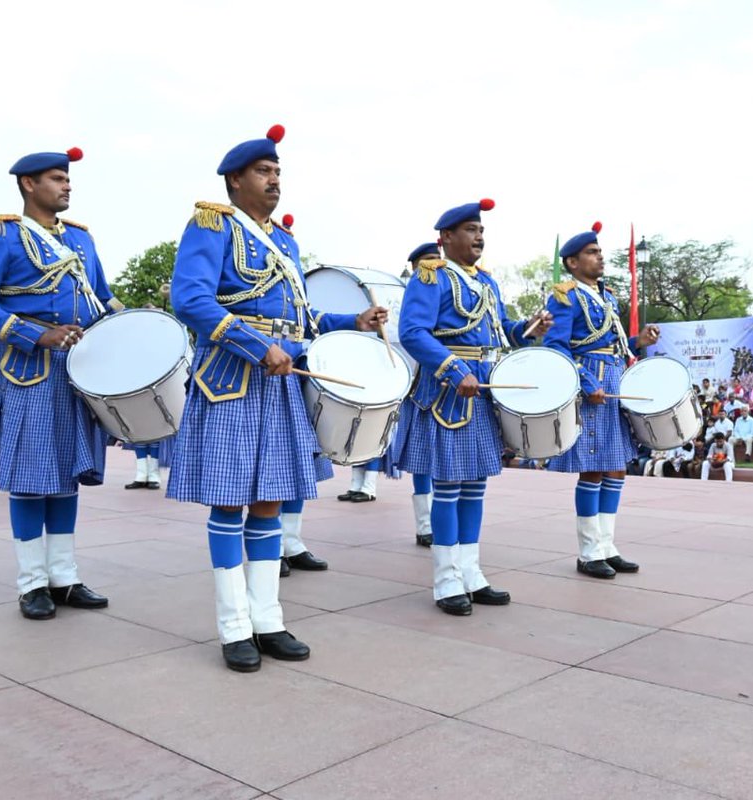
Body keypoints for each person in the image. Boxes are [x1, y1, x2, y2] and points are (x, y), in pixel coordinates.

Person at [166, 125, 386, 671]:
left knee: (269, 500)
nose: (275, 181)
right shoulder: (210, 225)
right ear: (235, 179)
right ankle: (233, 625)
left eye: (278, 172)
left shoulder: (284, 242)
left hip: (280, 380)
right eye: (264, 172)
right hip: (231, 380)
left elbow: (303, 317)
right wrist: (254, 344)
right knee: (229, 500)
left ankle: (268, 618)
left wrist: (350, 321)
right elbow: (188, 298)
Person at [0, 145, 117, 621]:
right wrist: (35, 334)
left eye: (66, 179)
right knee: (32, 476)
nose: (66, 185)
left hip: (76, 370)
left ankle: (64, 576)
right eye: (56, 178)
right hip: (25, 370)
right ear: (29, 184)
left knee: (66, 472)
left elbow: (102, 299)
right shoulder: (1, 235)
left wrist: (133, 327)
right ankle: (32, 583)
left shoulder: (82, 240)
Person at [397, 198, 552, 615]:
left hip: (482, 388)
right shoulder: (430, 276)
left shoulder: (487, 283)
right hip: (449, 392)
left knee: (476, 487)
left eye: (480, 229)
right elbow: (412, 332)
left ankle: (470, 571)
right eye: (469, 229)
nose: (479, 236)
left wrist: (529, 329)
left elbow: (501, 330)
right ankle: (446, 579)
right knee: (448, 488)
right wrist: (450, 368)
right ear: (445, 238)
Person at [544, 222, 657, 580]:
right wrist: (585, 380)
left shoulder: (607, 296)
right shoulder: (564, 296)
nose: (600, 257)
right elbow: (556, 347)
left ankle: (607, 546)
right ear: (573, 262)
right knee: (592, 468)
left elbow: (616, 344)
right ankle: (589, 551)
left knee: (618, 466)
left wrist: (639, 341)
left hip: (614, 378)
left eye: (599, 252)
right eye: (592, 253)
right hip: (590, 382)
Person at [389, 243, 442, 548]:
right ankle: (425, 525)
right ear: (413, 267)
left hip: (445, 380)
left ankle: (438, 523)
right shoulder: (407, 291)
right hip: (417, 383)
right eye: (427, 262)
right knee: (423, 459)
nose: (434, 267)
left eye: (438, 260)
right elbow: (403, 335)